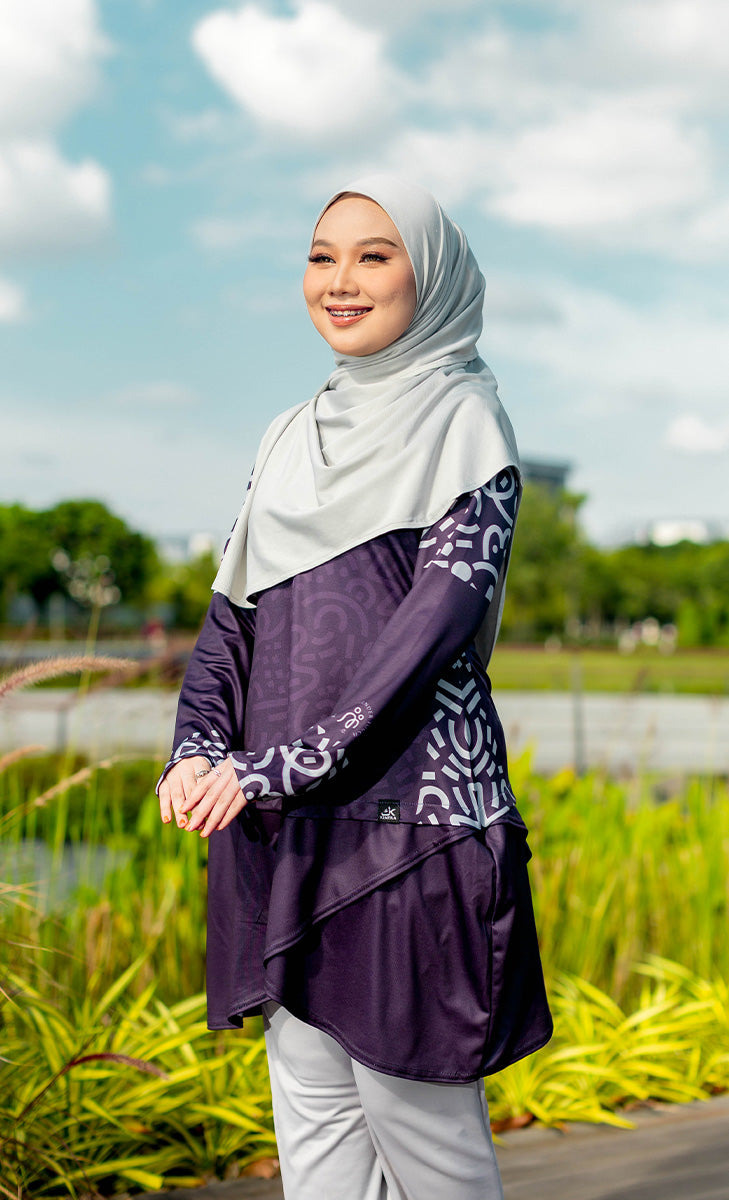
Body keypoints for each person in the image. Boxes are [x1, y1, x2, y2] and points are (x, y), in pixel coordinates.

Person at [157, 175, 552, 1200]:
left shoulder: (464, 421)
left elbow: (431, 633)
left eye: (375, 255)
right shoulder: (288, 434)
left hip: (409, 833)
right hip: (287, 830)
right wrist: (196, 749)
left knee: (429, 1147)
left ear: (433, 277)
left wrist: (273, 766)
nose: (340, 280)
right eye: (321, 256)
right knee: (318, 1144)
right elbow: (233, 621)